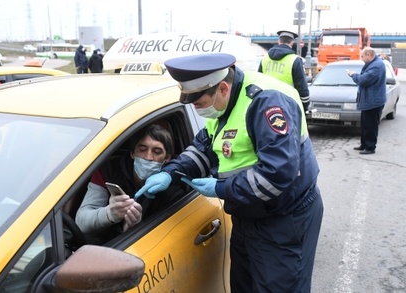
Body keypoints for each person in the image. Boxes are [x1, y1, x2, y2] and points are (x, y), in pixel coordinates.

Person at [135, 53, 324, 293]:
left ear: (222, 88)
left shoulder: (266, 103)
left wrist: (220, 188)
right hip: (248, 212)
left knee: (279, 288)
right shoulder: (223, 104)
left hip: (285, 216)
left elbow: (277, 174)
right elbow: (204, 148)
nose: (197, 110)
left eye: (199, 104)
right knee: (243, 286)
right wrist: (170, 174)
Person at [75, 124, 185, 244]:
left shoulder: (173, 191)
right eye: (142, 150)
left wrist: (134, 228)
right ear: (132, 153)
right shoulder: (108, 171)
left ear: (167, 158)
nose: (148, 157)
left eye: (157, 152)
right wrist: (109, 214)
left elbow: (167, 240)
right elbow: (81, 221)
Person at [258, 30, 310, 113]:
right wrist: (305, 106)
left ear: (279, 41)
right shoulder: (295, 60)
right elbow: (302, 87)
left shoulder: (265, 58)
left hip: (266, 104)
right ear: (292, 42)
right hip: (287, 106)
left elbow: (258, 82)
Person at [347, 47, 386, 155]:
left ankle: (370, 147)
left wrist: (353, 75)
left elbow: (363, 80)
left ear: (369, 55)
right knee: (365, 124)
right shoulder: (373, 63)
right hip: (368, 100)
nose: (361, 58)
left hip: (373, 101)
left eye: (362, 56)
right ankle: (364, 144)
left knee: (371, 126)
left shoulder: (376, 66)